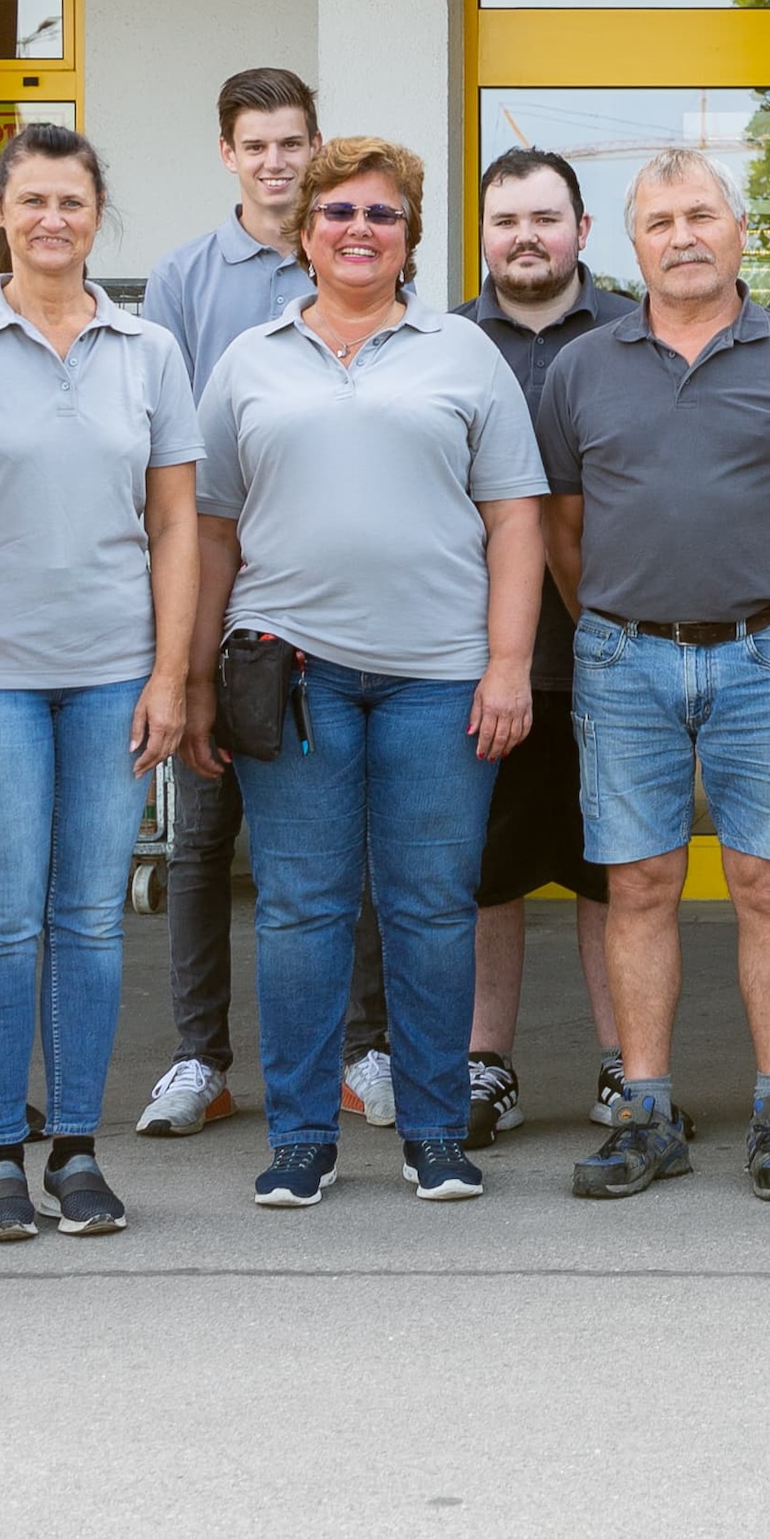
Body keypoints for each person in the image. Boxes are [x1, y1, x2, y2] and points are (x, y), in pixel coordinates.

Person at [194, 134, 543, 1208]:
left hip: (440, 677)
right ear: (304, 235)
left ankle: (436, 1130)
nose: (358, 229)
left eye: (381, 214)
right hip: (289, 671)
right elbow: (209, 528)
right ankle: (301, 1135)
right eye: (337, 212)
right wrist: (193, 675)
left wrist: (509, 663)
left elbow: (515, 518)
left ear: (409, 238)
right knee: (302, 908)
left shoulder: (463, 353)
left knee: (431, 906)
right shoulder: (247, 359)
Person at [541, 152, 770, 1206]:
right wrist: (611, 629)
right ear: (630, 243)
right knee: (636, 884)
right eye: (659, 222)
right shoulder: (581, 369)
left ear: (739, 232)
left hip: (769, 657)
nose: (682, 236)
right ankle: (644, 1110)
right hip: (622, 658)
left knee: (767, 886)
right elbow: (562, 531)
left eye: (701, 215)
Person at [0, 123, 202, 1243]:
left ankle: (76, 1149)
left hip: (114, 675)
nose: (53, 220)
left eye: (72, 201)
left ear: (96, 213)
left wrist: (171, 674)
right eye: (33, 202)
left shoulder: (147, 350)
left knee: (91, 920)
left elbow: (173, 522)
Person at [138, 66, 388, 1142]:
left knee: (352, 843)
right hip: (216, 586)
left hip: (334, 601)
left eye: (294, 142)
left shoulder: (360, 250)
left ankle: (360, 1053)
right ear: (228, 154)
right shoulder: (185, 277)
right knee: (204, 838)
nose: (278, 162)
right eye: (257, 144)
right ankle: (200, 1059)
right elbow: (168, 455)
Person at [459, 147, 623, 1147]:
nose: (526, 237)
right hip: (481, 658)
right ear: (483, 235)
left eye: (545, 218)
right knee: (488, 872)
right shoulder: (439, 341)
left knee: (617, 869)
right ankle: (485, 1068)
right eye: (507, 220)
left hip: (616, 650)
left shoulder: (634, 334)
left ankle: (622, 1067)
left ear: (581, 232)